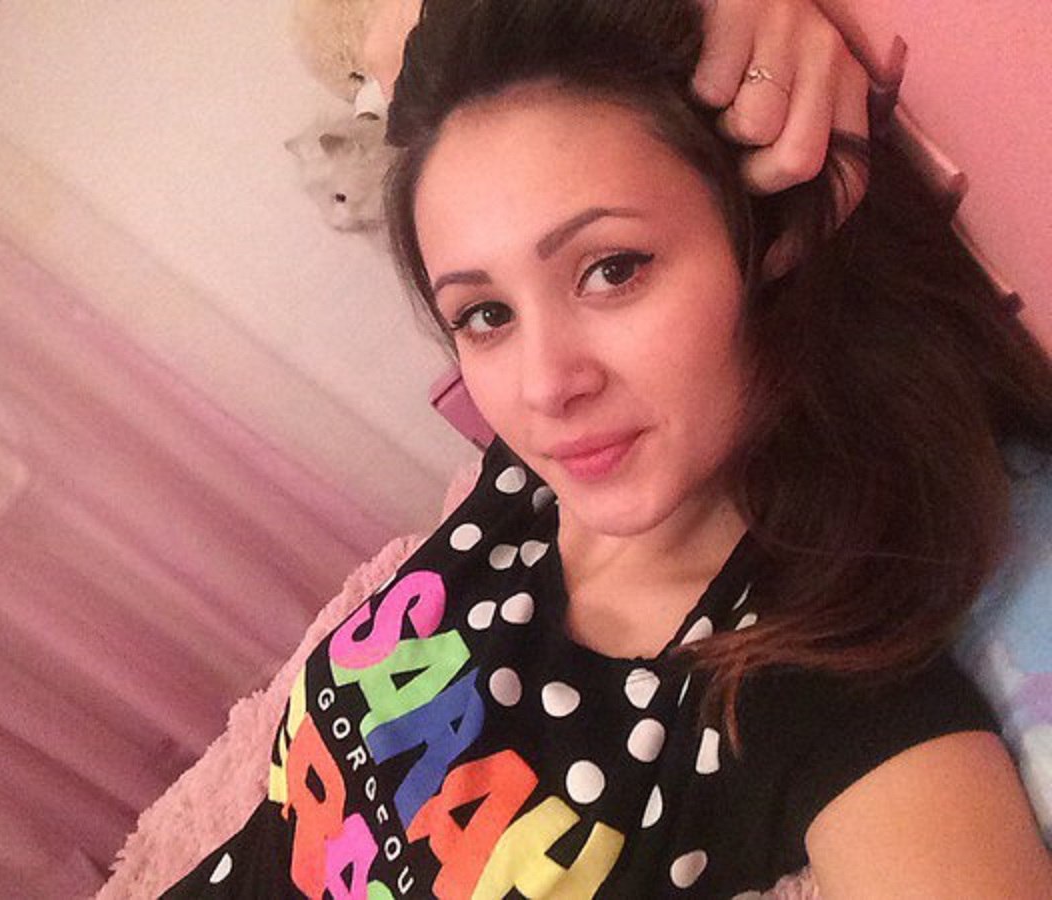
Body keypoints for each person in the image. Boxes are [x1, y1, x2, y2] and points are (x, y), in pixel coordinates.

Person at [165, 0, 1052, 896]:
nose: (546, 387)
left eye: (611, 269)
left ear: (770, 232)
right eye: (486, 314)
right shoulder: (520, 489)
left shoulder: (819, 697)